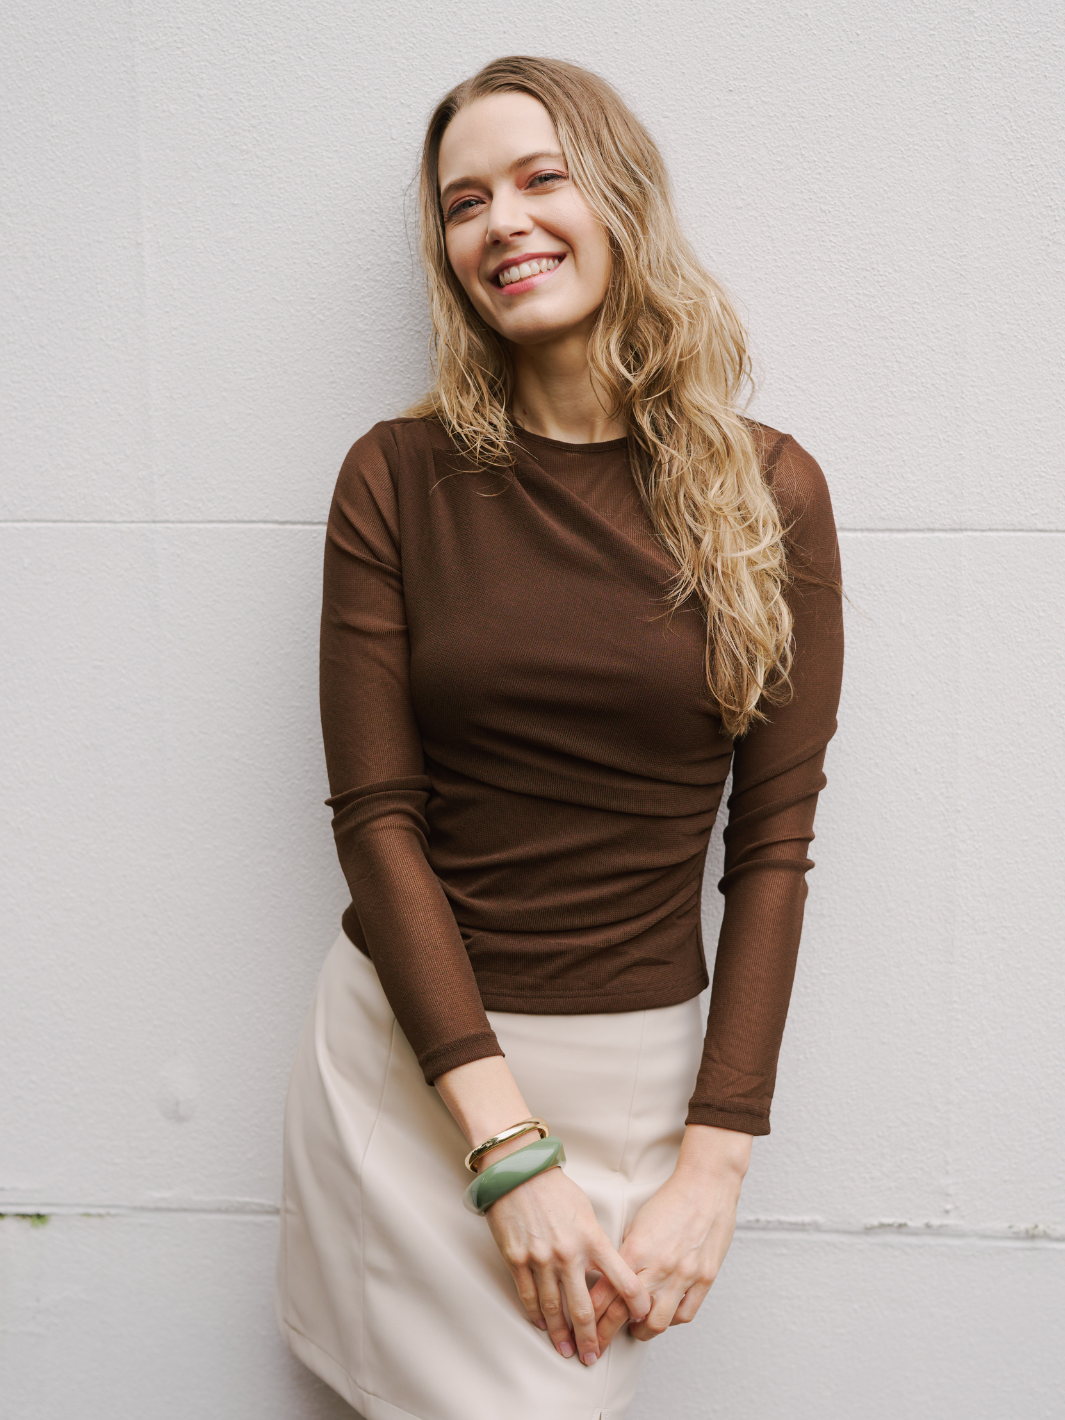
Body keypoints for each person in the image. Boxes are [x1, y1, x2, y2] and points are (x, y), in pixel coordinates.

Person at [274, 54, 844, 1420]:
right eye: (464, 202)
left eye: (542, 178)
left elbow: (772, 844)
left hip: (633, 1081)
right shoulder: (397, 477)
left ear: (620, 196)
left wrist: (717, 1158)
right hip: (418, 1068)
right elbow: (377, 822)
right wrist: (506, 1150)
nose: (504, 223)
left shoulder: (771, 491)